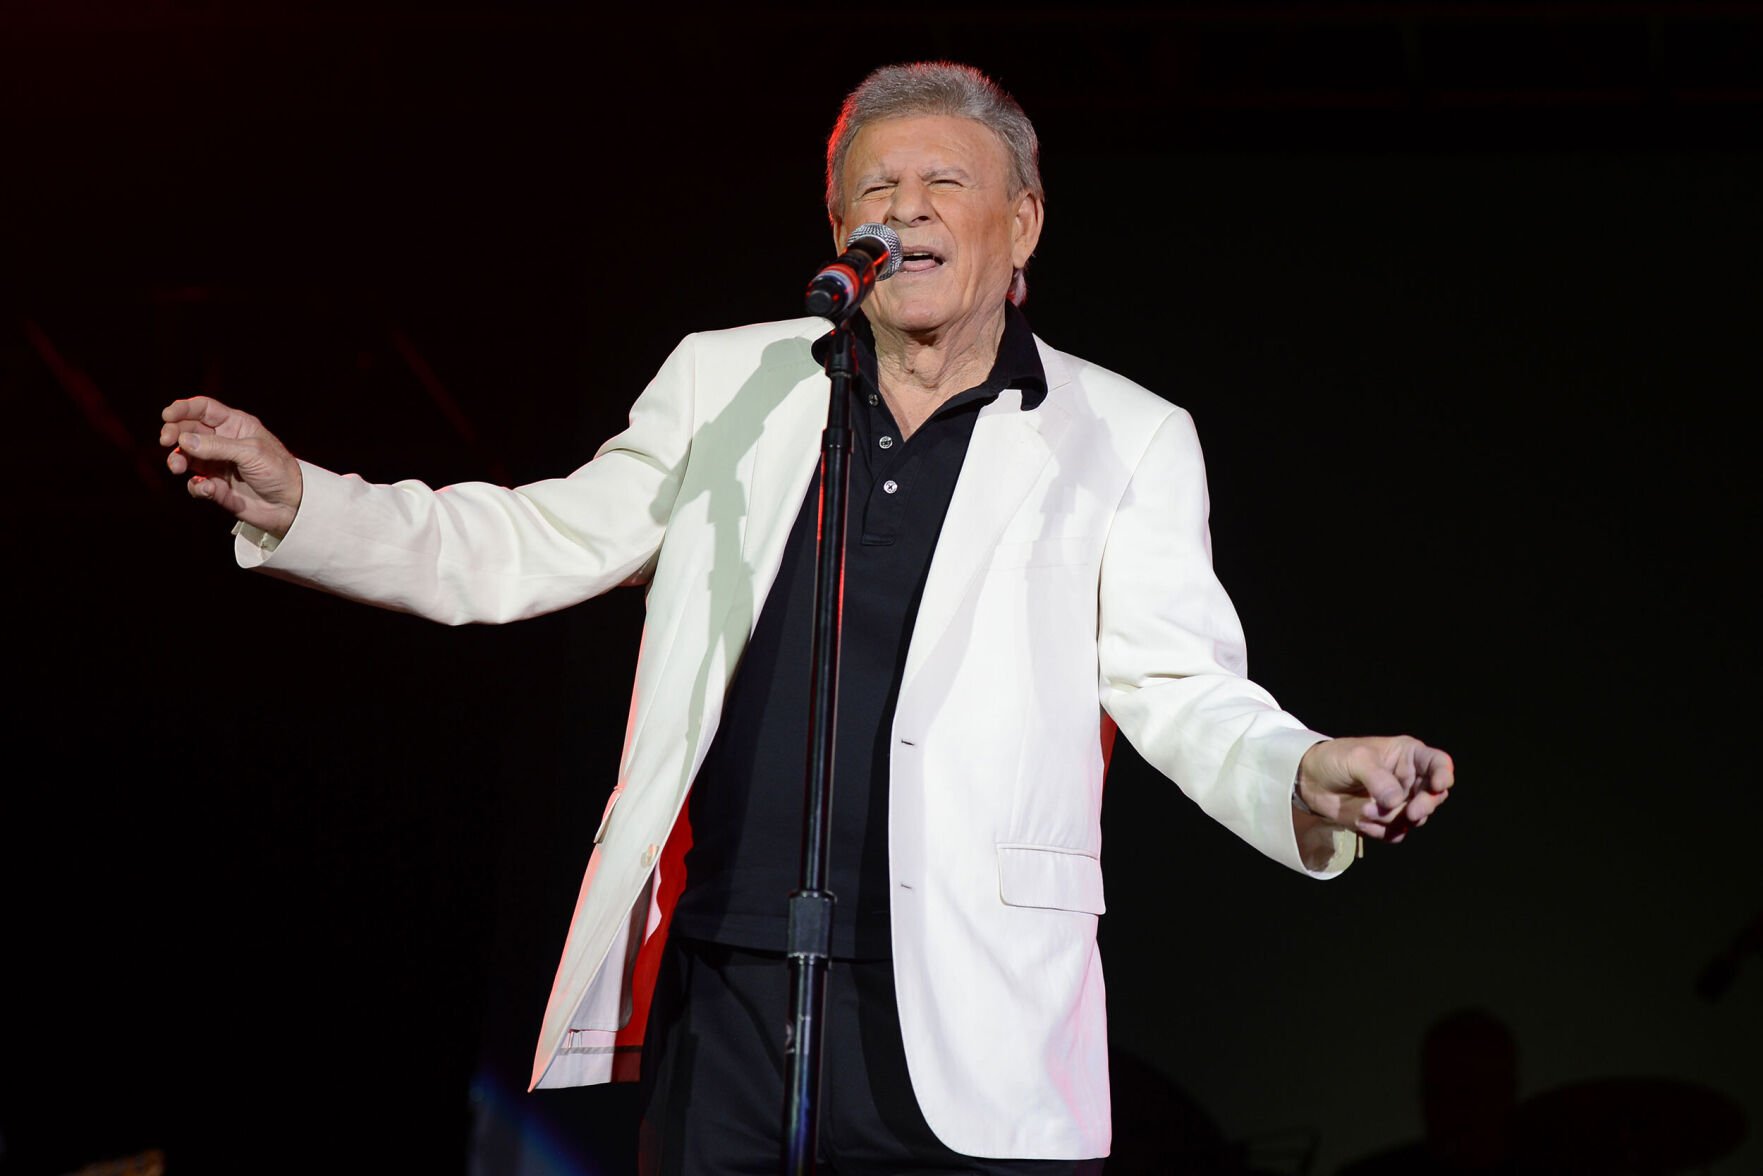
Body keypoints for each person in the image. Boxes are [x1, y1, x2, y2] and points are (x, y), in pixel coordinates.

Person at [159, 62, 1453, 1174]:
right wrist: (305, 505)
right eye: (874, 193)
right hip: (728, 990)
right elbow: (535, 541)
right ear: (840, 231)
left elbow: (1180, 683)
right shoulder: (731, 381)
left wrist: (1304, 767)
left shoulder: (1122, 435)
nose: (903, 210)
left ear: (1026, 224)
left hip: (972, 1000)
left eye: (942, 184)